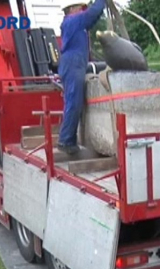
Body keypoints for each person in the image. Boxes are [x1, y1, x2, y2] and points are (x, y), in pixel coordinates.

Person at [57, 0, 106, 155]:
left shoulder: (75, 23)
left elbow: (92, 18)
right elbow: (91, 14)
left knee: (74, 102)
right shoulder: (73, 20)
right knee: (74, 102)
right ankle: (65, 141)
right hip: (73, 64)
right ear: (71, 9)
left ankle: (68, 139)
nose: (82, 8)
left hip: (73, 63)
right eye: (80, 6)